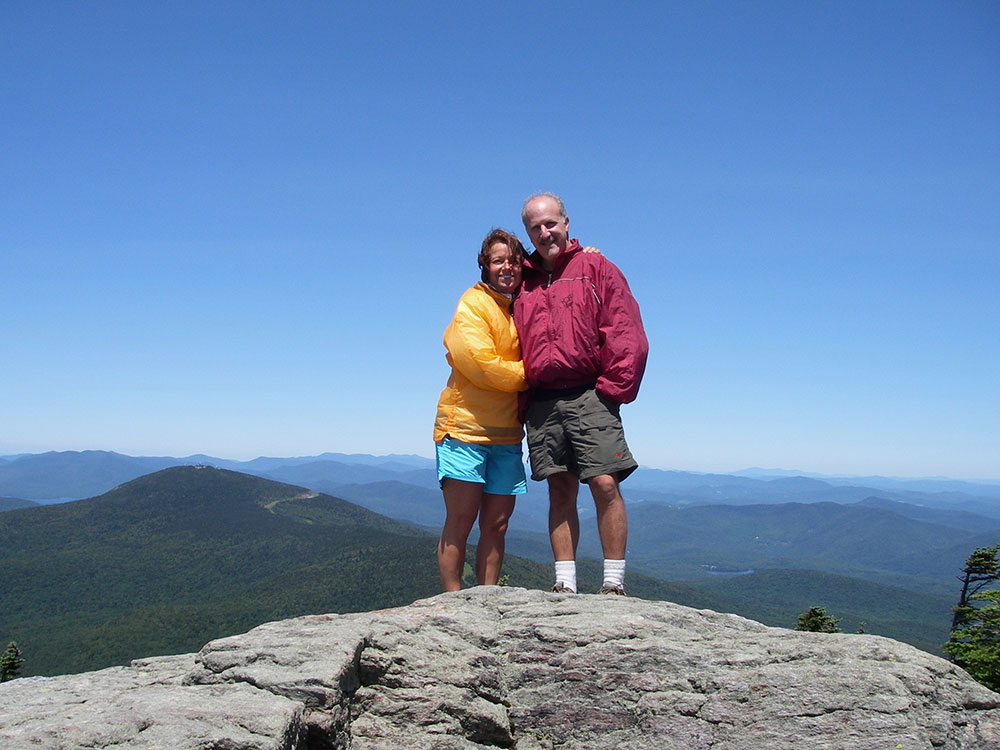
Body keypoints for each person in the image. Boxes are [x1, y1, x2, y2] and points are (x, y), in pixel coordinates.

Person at [513, 192, 648, 596]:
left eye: (550, 223)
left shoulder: (595, 268)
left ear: (566, 223)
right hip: (542, 399)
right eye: (535, 227)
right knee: (559, 488)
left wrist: (611, 392)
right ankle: (565, 584)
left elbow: (626, 331)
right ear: (527, 234)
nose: (544, 232)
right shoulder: (523, 280)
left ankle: (613, 584)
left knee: (604, 483)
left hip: (591, 393)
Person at [433, 228, 529, 591]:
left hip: (506, 434)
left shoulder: (520, 306)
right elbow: (480, 364)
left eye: (514, 260)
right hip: (464, 430)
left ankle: (487, 599)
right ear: (485, 265)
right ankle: (452, 603)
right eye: (498, 260)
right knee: (460, 522)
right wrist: (533, 374)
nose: (507, 267)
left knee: (497, 525)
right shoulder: (472, 304)